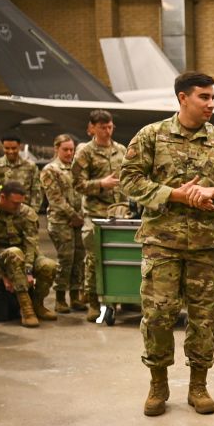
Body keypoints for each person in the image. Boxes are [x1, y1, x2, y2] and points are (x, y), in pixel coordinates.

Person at [119, 71, 214, 417]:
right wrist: (174, 195)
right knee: (159, 316)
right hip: (161, 245)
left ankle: (198, 385)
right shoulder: (152, 136)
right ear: (182, 98)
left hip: (205, 247)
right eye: (203, 97)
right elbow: (129, 180)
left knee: (204, 319)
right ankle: (158, 383)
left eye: (213, 98)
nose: (211, 104)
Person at [0, 181, 59, 328]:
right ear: (2, 197)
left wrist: (28, 270)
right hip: (1, 258)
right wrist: (1, 275)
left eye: (20, 203)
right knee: (14, 253)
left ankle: (37, 304)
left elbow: (30, 244)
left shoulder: (26, 213)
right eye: (14, 203)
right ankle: (26, 309)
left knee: (49, 266)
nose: (18, 207)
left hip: (26, 256)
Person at [71, 110, 127, 322]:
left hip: (120, 213)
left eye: (109, 127)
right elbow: (77, 184)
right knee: (94, 261)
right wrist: (101, 184)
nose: (107, 131)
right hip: (95, 214)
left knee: (119, 257)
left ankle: (120, 298)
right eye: (102, 127)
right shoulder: (85, 152)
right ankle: (94, 304)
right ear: (92, 127)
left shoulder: (121, 150)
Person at [39, 134, 86, 313]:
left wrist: (81, 215)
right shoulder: (50, 170)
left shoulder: (77, 169)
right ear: (56, 149)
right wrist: (73, 215)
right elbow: (55, 198)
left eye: (71, 149)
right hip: (61, 221)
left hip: (79, 220)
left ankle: (75, 296)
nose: (69, 153)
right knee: (66, 258)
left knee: (78, 259)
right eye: (65, 149)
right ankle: (60, 298)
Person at [0, 135, 42, 207]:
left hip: (24, 211)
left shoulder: (30, 166)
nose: (10, 151)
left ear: (19, 147)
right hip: (1, 210)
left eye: (14, 148)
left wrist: (33, 211)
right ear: (3, 147)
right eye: (7, 148)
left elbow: (36, 191)